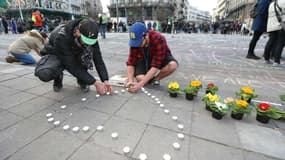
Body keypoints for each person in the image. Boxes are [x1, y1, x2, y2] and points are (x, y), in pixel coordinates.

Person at [38, 19, 112, 94]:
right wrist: (94, 82)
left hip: (75, 51)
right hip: (56, 53)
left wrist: (105, 80)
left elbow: (98, 60)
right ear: (78, 32)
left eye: (91, 42)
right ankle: (58, 75)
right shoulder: (61, 37)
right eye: (86, 41)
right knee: (45, 73)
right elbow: (72, 66)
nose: (88, 44)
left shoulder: (91, 35)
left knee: (85, 56)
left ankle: (81, 80)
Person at [125, 22, 178, 93]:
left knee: (172, 65)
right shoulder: (135, 43)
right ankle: (148, 78)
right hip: (143, 57)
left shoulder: (159, 39)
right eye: (135, 43)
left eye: (140, 42)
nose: (138, 45)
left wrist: (140, 85)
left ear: (146, 35)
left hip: (160, 57)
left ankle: (155, 79)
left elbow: (155, 66)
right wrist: (130, 81)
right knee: (140, 78)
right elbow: (131, 62)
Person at [263, 0, 285, 64]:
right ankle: (276, 61)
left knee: (271, 41)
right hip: (280, 25)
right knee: (280, 42)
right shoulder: (283, 2)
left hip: (271, 25)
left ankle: (266, 59)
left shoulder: (272, 4)